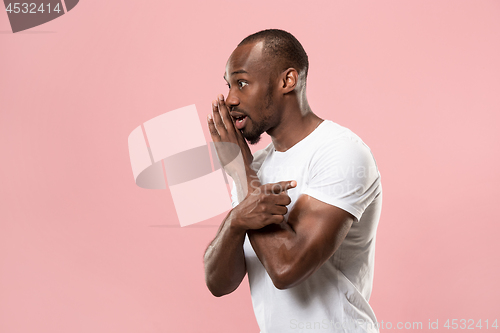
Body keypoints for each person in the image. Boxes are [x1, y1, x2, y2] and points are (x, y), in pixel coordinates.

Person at [204, 29, 382, 333]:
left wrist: (242, 172)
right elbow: (219, 283)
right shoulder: (255, 168)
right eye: (229, 85)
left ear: (288, 81)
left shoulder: (341, 152)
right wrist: (235, 221)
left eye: (242, 83)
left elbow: (287, 269)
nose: (231, 98)